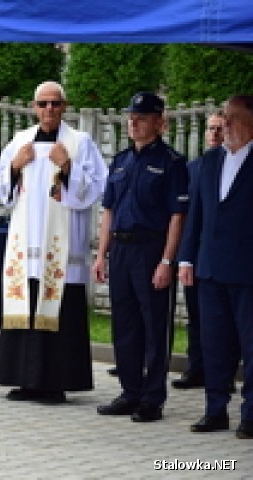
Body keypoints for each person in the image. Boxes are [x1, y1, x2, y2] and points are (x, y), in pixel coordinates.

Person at [0, 81, 107, 404]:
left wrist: (67, 165)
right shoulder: (20, 142)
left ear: (64, 106)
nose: (49, 110)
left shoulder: (79, 143)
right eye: (43, 104)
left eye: (55, 104)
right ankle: (23, 379)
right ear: (34, 107)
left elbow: (98, 187)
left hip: (61, 251)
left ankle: (55, 382)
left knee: (61, 311)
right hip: (26, 248)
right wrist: (15, 166)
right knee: (26, 308)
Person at [93, 92, 188, 423]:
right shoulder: (120, 161)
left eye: (142, 117)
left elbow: (177, 216)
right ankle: (130, 391)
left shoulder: (171, 163)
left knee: (154, 325)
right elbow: (108, 211)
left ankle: (152, 397)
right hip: (121, 248)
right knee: (125, 324)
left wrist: (166, 261)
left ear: (160, 123)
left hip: (151, 249)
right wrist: (101, 255)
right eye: (131, 117)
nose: (133, 123)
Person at [178, 95, 253, 439]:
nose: (226, 124)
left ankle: (250, 414)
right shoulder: (208, 163)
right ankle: (215, 410)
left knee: (250, 346)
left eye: (233, 118)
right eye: (224, 117)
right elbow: (195, 217)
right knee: (214, 343)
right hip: (208, 270)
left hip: (246, 272)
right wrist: (186, 258)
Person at [171, 111, 224, 389]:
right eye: (211, 129)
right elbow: (185, 215)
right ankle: (196, 368)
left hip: (224, 257)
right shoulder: (193, 168)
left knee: (222, 321)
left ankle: (222, 375)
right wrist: (183, 257)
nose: (214, 134)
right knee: (195, 316)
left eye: (220, 129)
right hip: (196, 254)